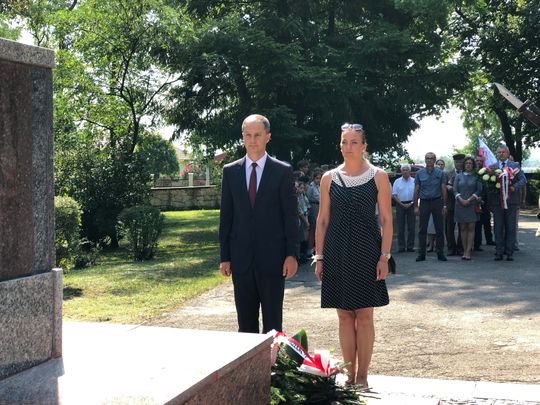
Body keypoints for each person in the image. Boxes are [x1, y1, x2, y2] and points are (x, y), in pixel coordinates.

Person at [314, 122, 391, 387]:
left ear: (364, 146)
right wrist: (320, 257)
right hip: (336, 251)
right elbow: (322, 220)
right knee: (344, 316)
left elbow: (386, 219)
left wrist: (384, 256)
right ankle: (349, 375)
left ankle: (363, 377)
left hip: (368, 251)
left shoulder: (378, 176)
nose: (348, 147)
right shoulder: (329, 178)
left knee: (365, 316)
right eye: (344, 142)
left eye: (354, 142)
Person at [219, 114, 298, 333]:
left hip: (273, 260)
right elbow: (226, 217)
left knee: (273, 325)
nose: (252, 140)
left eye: (257, 135)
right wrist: (225, 256)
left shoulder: (282, 171)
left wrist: (291, 254)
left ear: (268, 137)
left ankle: (272, 357)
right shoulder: (230, 172)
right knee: (245, 326)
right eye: (248, 135)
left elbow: (290, 216)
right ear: (242, 137)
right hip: (241, 260)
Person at [487, 144, 527, 261]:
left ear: (508, 153)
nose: (501, 154)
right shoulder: (492, 167)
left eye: (503, 152)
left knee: (510, 227)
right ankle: (498, 251)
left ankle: (509, 252)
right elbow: (488, 186)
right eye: (499, 152)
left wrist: (514, 187)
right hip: (497, 202)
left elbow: (523, 180)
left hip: (511, 201)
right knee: (498, 227)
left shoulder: (515, 165)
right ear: (497, 154)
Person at [413, 152, 448, 262]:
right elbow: (416, 190)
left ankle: (440, 253)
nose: (429, 160)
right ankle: (421, 254)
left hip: (437, 202)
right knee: (422, 229)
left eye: (431, 158)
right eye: (427, 158)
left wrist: (445, 205)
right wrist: (415, 206)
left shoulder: (440, 173)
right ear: (425, 160)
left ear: (434, 160)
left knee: (439, 229)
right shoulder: (419, 173)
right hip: (424, 202)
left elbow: (443, 189)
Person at [454, 156, 482, 260]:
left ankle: (468, 251)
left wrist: (469, 200)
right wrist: (461, 199)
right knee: (462, 228)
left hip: (472, 204)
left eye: (470, 163)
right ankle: (464, 249)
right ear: (463, 165)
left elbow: (479, 190)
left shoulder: (477, 176)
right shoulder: (458, 176)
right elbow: (455, 190)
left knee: (471, 228)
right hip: (460, 204)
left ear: (473, 165)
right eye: (466, 163)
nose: (468, 165)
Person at [392, 164, 416, 252]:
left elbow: (417, 193)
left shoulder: (414, 181)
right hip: (400, 204)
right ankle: (401, 246)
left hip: (411, 204)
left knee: (411, 227)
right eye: (403, 170)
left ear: (410, 171)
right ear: (401, 171)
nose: (405, 171)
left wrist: (412, 203)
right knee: (400, 227)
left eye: (407, 170)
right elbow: (394, 194)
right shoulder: (397, 181)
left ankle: (410, 246)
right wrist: (402, 204)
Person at [473, 155, 494, 250]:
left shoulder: (487, 172)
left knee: (487, 221)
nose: (479, 162)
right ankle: (477, 243)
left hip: (486, 201)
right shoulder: (473, 172)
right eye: (477, 160)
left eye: (481, 161)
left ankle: (489, 240)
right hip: (475, 200)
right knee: (477, 223)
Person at [446, 153, 465, 255]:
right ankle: (451, 248)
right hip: (451, 204)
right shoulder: (448, 173)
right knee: (449, 227)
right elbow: (444, 187)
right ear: (454, 162)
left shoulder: (467, 173)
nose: (459, 164)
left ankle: (460, 247)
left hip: (463, 204)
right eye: (457, 162)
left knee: (462, 226)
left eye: (461, 162)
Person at [306, 169, 323, 256]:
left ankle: (315, 248)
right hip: (313, 206)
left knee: (318, 228)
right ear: (313, 178)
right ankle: (309, 250)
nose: (318, 180)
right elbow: (308, 197)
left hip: (319, 206)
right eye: (317, 178)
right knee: (312, 228)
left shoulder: (319, 186)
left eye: (320, 178)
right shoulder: (311, 187)